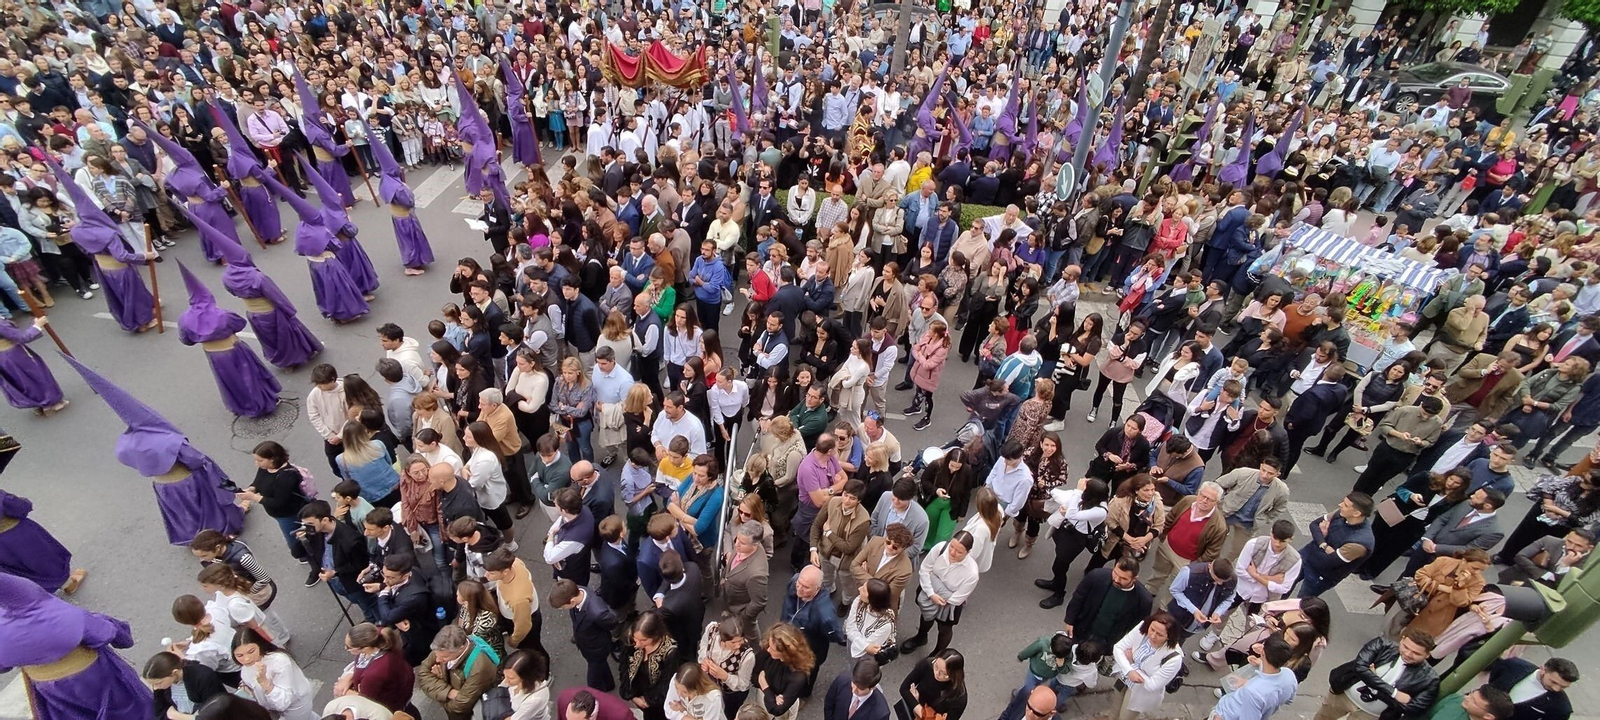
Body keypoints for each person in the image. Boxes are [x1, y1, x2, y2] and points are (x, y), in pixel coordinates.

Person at [1316, 629, 1440, 720]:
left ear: (1427, 655)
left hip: (1371, 715)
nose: (1408, 654)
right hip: (1344, 696)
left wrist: (1375, 686)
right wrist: (1394, 693)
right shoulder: (1382, 645)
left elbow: (1413, 709)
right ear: (1402, 640)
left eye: (1416, 653)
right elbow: (1360, 667)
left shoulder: (1429, 679)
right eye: (1406, 647)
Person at [1147, 482, 1228, 605]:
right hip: (1167, 547)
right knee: (1157, 573)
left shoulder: (1219, 526)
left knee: (1175, 585)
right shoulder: (1187, 501)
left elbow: (1212, 553)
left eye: (1210, 499)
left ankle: (1164, 607)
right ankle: (1149, 591)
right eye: (1203, 495)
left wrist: (1193, 566)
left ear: (1216, 502)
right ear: (1199, 493)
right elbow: (1170, 517)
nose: (1204, 500)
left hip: (1186, 561)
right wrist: (1163, 537)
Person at [1037, 478, 1112, 608]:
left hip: (1077, 539)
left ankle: (1059, 595)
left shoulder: (1100, 511)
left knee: (1059, 566)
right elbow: (1066, 498)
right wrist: (1048, 487)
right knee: (1059, 559)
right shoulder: (1090, 499)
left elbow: (1072, 514)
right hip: (1068, 530)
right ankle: (1055, 582)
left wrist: (1077, 492)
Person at [296, 500, 377, 620]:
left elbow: (360, 565)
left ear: (324, 520)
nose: (306, 527)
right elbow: (297, 553)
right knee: (356, 601)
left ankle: (376, 624)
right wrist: (300, 540)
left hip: (352, 583)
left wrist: (335, 572)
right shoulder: (315, 533)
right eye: (304, 524)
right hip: (336, 582)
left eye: (310, 524)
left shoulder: (350, 539)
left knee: (368, 607)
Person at [0, 488, 88, 595]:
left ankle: (35, 594)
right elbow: (21, 507)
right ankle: (67, 584)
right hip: (19, 536)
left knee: (16, 570)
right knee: (44, 562)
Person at [1064, 556, 1155, 648]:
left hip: (1108, 642)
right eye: (1115, 573)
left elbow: (1138, 627)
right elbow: (1078, 597)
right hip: (1082, 628)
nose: (1116, 579)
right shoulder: (1096, 576)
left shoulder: (1143, 600)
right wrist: (1069, 620)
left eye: (1123, 578)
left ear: (1134, 579)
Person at [1109, 611, 1185, 720]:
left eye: (1159, 634)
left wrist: (1132, 664)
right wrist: (1129, 671)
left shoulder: (1174, 658)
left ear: (1169, 636)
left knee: (1124, 717)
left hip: (1140, 692)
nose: (1153, 636)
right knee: (1114, 708)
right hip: (1122, 677)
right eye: (1152, 629)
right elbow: (1118, 648)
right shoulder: (1142, 628)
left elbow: (1152, 685)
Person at [1298, 493, 1376, 598]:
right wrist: (1324, 544)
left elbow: (1328, 562)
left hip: (1320, 575)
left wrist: (1320, 538)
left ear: (1357, 513)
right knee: (1282, 587)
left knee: (1301, 602)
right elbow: (1314, 525)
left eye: (1346, 505)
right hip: (1306, 555)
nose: (1340, 505)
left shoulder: (1359, 543)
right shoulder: (1341, 513)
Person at [415, 625, 501, 720]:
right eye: (435, 654)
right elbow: (422, 673)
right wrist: (448, 692)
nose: (438, 659)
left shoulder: (479, 667)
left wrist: (438, 690)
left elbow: (459, 707)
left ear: (460, 648)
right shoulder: (443, 649)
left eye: (444, 657)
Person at [232, 627, 318, 720]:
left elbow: (283, 702)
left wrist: (265, 682)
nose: (246, 659)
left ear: (259, 645)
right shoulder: (247, 666)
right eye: (240, 655)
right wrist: (245, 684)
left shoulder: (279, 661)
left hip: (295, 704)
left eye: (251, 652)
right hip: (271, 706)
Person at [1208, 635, 1299, 720]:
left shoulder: (1252, 692)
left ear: (1263, 653)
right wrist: (1248, 681)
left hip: (1225, 715)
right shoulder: (1289, 676)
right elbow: (1289, 700)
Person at [334, 623, 415, 715]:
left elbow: (366, 700)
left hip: (392, 705)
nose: (346, 648)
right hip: (401, 690)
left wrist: (344, 692)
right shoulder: (378, 636)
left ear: (365, 648)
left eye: (349, 647)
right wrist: (349, 677)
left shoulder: (373, 674)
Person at [623, 612, 685, 720]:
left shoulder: (670, 653)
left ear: (655, 635)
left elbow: (666, 682)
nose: (637, 645)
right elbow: (625, 668)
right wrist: (632, 695)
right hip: (638, 693)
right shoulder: (632, 640)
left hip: (657, 702)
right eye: (635, 639)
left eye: (643, 640)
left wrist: (648, 701)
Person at [1483, 656, 1577, 720]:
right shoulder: (1514, 666)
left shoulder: (1561, 708)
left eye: (1563, 687)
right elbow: (1494, 677)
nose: (1556, 688)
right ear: (1543, 669)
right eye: (1553, 682)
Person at [144, 650, 230, 720]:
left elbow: (215, 711)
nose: (156, 687)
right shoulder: (161, 687)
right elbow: (160, 711)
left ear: (174, 672)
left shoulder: (203, 677)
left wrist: (176, 716)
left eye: (158, 683)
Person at [1500, 527, 1597, 588]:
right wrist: (1545, 575)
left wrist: (1565, 565)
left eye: (1578, 545)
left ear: (1590, 548)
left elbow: (1563, 585)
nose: (1570, 547)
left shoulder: (1588, 564)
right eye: (1569, 541)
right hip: (1516, 577)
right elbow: (1521, 556)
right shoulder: (1549, 541)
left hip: (1541, 592)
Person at [897, 649, 968, 720]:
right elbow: (904, 688)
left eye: (943, 673)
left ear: (954, 675)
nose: (937, 673)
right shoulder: (928, 664)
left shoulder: (959, 698)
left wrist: (916, 706)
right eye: (936, 666)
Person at [823, 657, 889, 720]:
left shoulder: (880, 713)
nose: (854, 690)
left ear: (873, 687)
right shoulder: (842, 680)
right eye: (854, 683)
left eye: (860, 688)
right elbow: (829, 704)